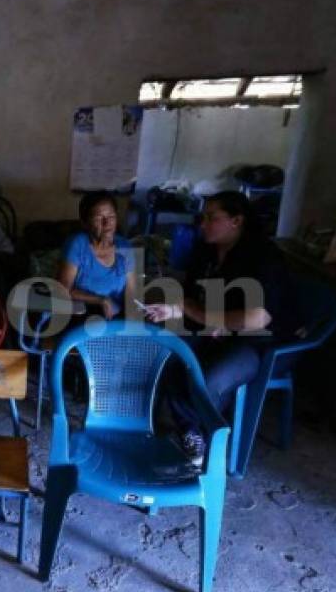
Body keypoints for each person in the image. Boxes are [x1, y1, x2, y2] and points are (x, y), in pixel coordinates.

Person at [145, 191, 299, 465]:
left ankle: (207, 448)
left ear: (236, 221)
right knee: (168, 355)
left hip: (257, 342)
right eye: (203, 217)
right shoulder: (205, 251)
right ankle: (190, 432)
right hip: (215, 329)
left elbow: (256, 319)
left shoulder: (263, 257)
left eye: (211, 218)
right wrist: (177, 310)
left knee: (212, 379)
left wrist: (207, 317)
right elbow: (192, 297)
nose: (202, 224)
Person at [58, 191, 136, 319]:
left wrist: (138, 315)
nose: (107, 223)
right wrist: (100, 300)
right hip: (82, 315)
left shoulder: (125, 247)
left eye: (111, 216)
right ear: (85, 223)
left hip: (115, 319)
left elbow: (132, 293)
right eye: (99, 218)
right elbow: (63, 289)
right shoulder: (77, 244)